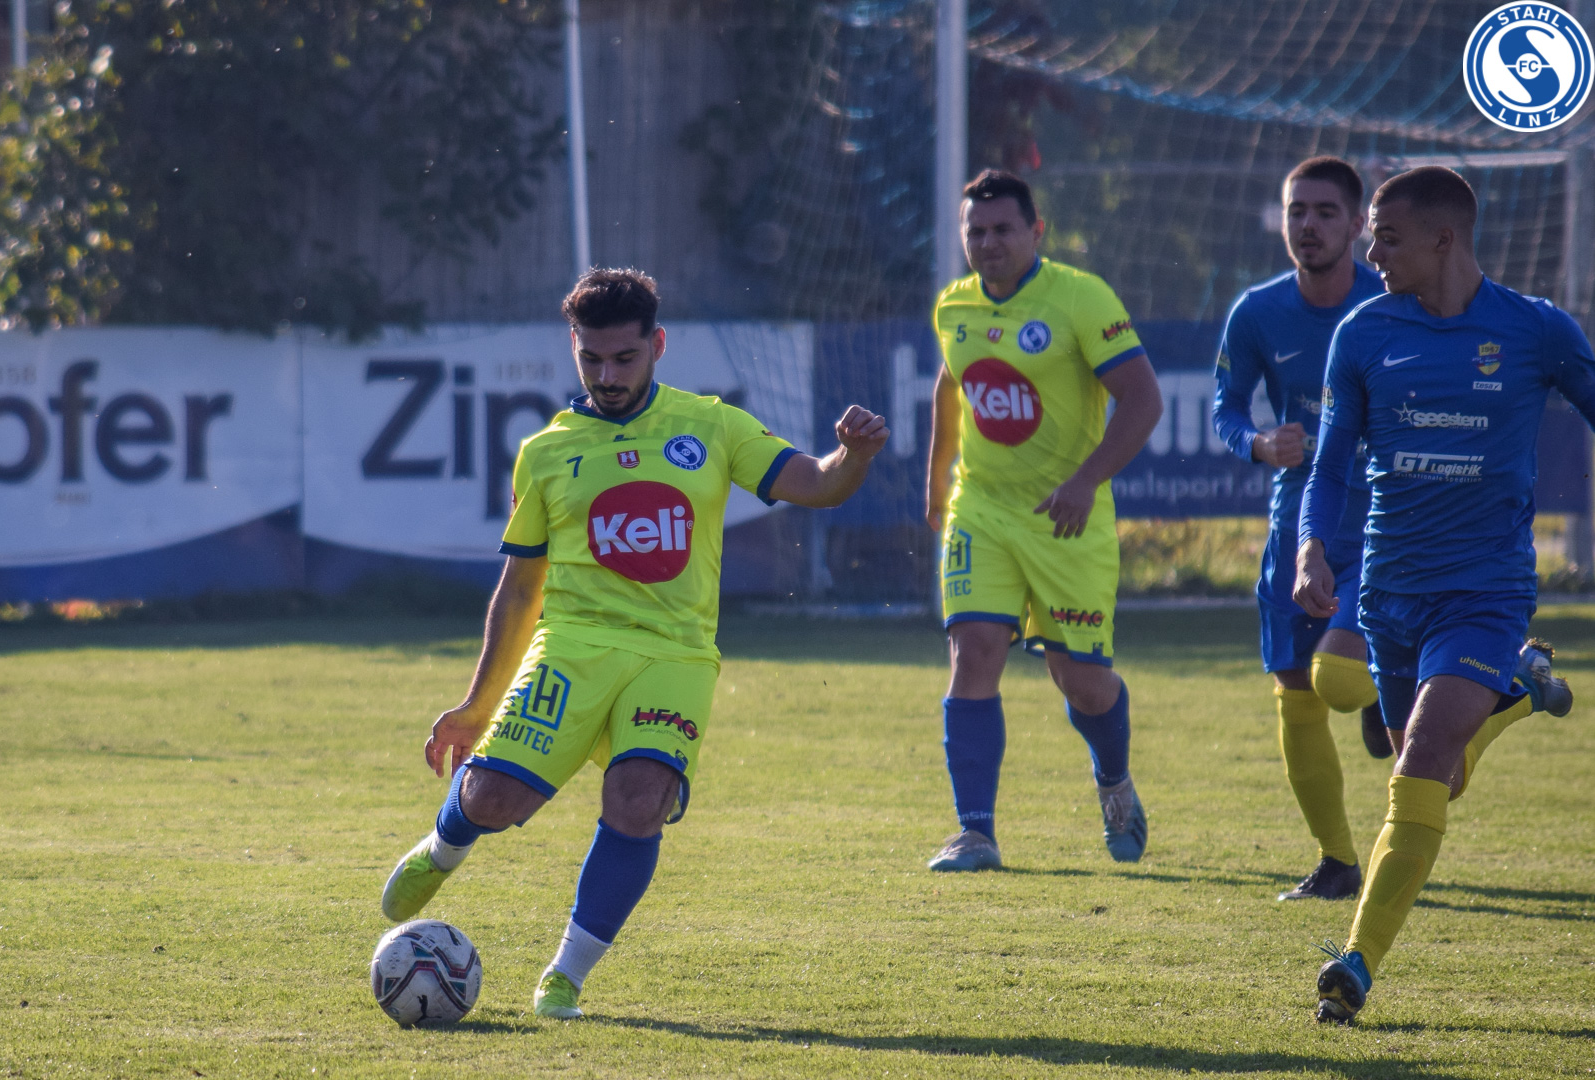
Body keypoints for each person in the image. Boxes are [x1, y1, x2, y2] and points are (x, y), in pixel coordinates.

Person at [380, 268, 890, 1019]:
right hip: (574, 644)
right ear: (574, 347)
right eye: (591, 359)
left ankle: (565, 976)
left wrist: (854, 457)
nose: (607, 376)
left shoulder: (711, 425)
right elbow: (519, 591)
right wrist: (474, 705)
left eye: (624, 358)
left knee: (639, 798)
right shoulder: (546, 451)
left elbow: (816, 482)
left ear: (657, 345)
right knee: (490, 798)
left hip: (676, 654)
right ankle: (444, 847)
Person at [1296, 166, 1586, 1024]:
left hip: (1485, 594)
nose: (1372, 254)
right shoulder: (1364, 333)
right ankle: (1514, 693)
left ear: (1443, 239)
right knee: (1438, 775)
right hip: (1389, 594)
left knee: (1421, 758)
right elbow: (1330, 465)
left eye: (1386, 238)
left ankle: (1354, 964)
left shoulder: (1536, 330)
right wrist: (1313, 547)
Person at [925, 169, 1164, 871]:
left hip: (1066, 518)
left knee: (1080, 681)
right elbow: (951, 386)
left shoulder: (1081, 299)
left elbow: (1143, 399)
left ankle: (1113, 779)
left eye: (1003, 229)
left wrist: (1086, 481)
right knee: (973, 654)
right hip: (983, 509)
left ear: (1037, 231)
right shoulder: (954, 306)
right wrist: (936, 485)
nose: (988, 243)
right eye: (975, 231)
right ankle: (975, 833)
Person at [1211, 156, 1389, 904]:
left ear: (1357, 224)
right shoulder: (1257, 312)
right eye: (1296, 212)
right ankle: (1337, 862)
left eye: (1324, 212)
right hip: (1298, 523)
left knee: (1343, 685)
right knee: (1294, 685)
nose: (1307, 226)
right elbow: (1225, 406)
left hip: (1383, 521)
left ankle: (1388, 689)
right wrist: (1256, 442)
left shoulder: (1392, 303)